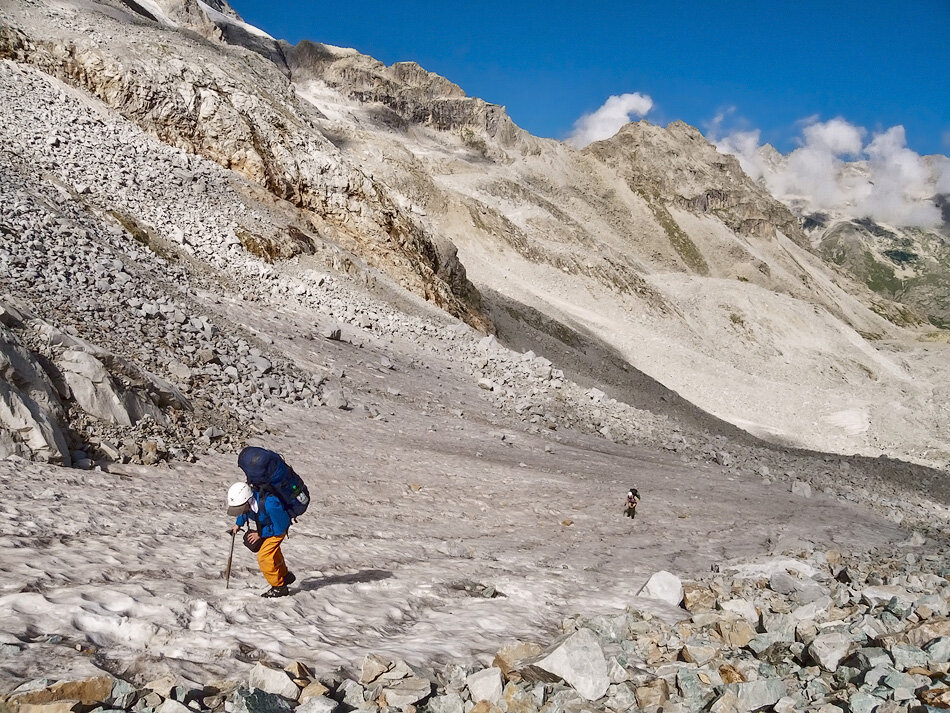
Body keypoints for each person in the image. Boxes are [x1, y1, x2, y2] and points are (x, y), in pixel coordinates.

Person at [227, 481, 296, 598]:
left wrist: (260, 534)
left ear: (248, 500)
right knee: (272, 552)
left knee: (264, 557)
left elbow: (280, 527)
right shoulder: (248, 503)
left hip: (278, 529)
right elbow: (244, 513)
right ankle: (284, 576)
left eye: (241, 508)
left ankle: (279, 587)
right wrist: (238, 524)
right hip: (269, 527)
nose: (240, 510)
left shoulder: (270, 504)